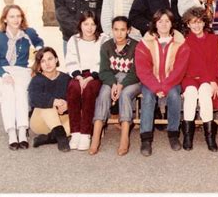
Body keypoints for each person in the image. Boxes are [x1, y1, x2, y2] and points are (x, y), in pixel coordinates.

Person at [135, 9, 190, 156]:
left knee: (173, 95)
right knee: (147, 98)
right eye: (160, 21)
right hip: (150, 81)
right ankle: (146, 139)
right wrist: (156, 86)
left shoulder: (181, 43)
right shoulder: (145, 43)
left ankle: (173, 134)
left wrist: (165, 86)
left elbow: (180, 69)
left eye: (167, 21)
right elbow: (142, 69)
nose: (164, 24)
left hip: (172, 81)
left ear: (172, 23)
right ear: (155, 23)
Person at [0, 5, 44, 150]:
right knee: (8, 91)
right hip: (2, 70)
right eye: (12, 16)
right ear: (5, 19)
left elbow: (39, 43)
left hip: (21, 70)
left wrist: (38, 52)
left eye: (18, 16)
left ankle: (22, 130)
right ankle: (11, 132)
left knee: (20, 91)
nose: (16, 19)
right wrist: (4, 74)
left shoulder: (28, 32)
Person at [89, 16, 141, 156]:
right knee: (104, 93)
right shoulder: (107, 46)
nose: (119, 33)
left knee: (124, 94)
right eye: (116, 30)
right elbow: (104, 71)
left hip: (132, 81)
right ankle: (96, 136)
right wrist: (113, 84)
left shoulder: (136, 46)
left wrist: (121, 85)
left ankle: (124, 136)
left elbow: (137, 72)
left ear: (128, 30)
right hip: (113, 80)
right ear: (112, 30)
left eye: (123, 30)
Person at [65, 11, 108, 151]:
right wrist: (78, 77)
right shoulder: (74, 40)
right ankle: (75, 132)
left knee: (89, 90)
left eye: (92, 24)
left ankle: (85, 133)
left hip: (96, 75)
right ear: (80, 25)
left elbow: (103, 62)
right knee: (73, 89)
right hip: (78, 74)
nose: (89, 28)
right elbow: (70, 61)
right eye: (86, 24)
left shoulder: (103, 39)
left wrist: (90, 77)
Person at [181, 7, 218, 152]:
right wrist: (207, 78)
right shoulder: (186, 42)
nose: (196, 25)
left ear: (205, 23)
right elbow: (189, 68)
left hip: (210, 79)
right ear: (188, 24)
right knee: (191, 93)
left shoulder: (213, 40)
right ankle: (187, 136)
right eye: (193, 22)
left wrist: (210, 79)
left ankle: (209, 137)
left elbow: (217, 64)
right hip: (190, 78)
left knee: (205, 93)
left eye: (199, 22)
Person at [28, 47, 71, 152]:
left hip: (61, 120)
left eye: (50, 59)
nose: (47, 64)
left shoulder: (66, 78)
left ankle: (48, 138)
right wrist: (54, 101)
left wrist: (67, 105)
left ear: (56, 60)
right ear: (40, 65)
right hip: (40, 122)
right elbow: (33, 99)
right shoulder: (37, 79)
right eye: (43, 61)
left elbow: (74, 98)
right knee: (48, 104)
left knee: (77, 120)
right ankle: (61, 138)